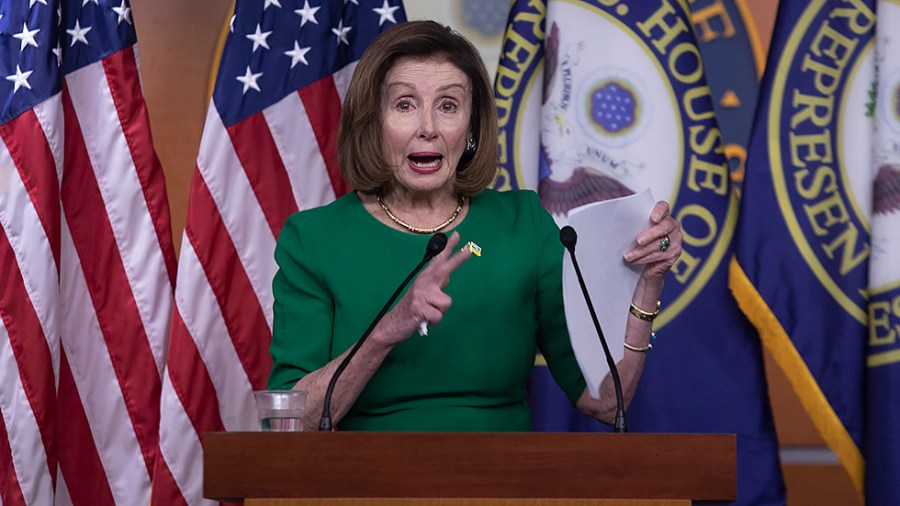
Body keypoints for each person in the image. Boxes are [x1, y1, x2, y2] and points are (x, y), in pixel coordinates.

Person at [268, 20, 682, 432]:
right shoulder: (314, 239)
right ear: (373, 123)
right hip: (366, 488)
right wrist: (387, 332)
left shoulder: (523, 225)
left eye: (448, 106)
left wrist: (648, 285)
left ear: (471, 129)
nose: (427, 127)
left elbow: (609, 402)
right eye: (404, 105)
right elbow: (290, 424)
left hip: (506, 487)